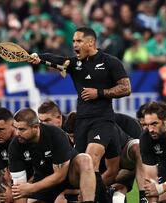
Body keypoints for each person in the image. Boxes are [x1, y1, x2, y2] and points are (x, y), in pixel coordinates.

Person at [29, 27, 131, 201]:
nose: (74, 44)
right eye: (73, 41)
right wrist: (39, 58)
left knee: (91, 159)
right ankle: (100, 196)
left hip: (102, 119)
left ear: (90, 42)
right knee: (79, 167)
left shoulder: (110, 62)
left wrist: (99, 93)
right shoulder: (75, 64)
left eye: (78, 41)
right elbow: (57, 60)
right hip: (81, 122)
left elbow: (126, 88)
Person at [9, 108, 96, 203]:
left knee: (84, 159)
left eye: (22, 129)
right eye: (15, 128)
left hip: (68, 175)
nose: (17, 133)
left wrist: (31, 187)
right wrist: (27, 189)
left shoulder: (56, 134)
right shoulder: (15, 146)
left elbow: (60, 175)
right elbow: (19, 188)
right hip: (44, 179)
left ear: (35, 127)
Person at [0, 107, 31, 203]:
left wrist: (14, 192)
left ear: (13, 125)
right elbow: (1, 178)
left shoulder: (26, 139)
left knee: (20, 198)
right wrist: (7, 192)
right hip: (12, 179)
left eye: (0, 129)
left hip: (32, 177)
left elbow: (40, 171)